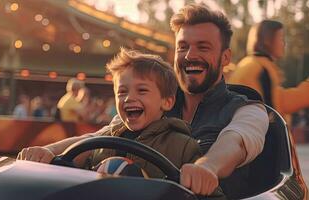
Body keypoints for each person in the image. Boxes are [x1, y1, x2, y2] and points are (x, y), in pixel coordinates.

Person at [18, 4, 269, 198]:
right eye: (183, 47)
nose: (190, 55)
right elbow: (98, 137)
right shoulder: (150, 101)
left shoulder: (248, 109)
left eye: (203, 47)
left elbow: (235, 141)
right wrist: (49, 152)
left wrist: (207, 167)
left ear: (226, 57)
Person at [71, 48, 201, 178]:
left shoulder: (183, 146)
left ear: (167, 102)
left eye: (142, 90)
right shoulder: (101, 143)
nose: (129, 98)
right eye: (122, 92)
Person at [228, 20, 309, 123]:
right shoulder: (261, 68)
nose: (284, 43)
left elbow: (279, 99)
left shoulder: (249, 63)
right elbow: (273, 112)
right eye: (280, 38)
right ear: (267, 40)